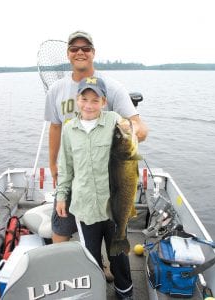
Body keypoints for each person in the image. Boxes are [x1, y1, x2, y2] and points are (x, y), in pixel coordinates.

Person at [44, 30, 147, 243]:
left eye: (85, 48)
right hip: (74, 167)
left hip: (103, 174)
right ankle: (60, 267)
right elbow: (55, 128)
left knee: (105, 223)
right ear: (68, 54)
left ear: (93, 52)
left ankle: (107, 265)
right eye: (74, 48)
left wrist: (128, 130)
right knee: (61, 224)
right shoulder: (56, 90)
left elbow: (141, 129)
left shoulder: (113, 87)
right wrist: (53, 164)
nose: (80, 52)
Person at [56, 76, 134, 299]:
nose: (89, 105)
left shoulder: (114, 120)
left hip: (114, 206)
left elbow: (133, 132)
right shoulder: (69, 129)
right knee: (89, 256)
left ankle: (125, 292)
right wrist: (61, 196)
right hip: (84, 207)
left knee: (119, 255)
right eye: (84, 98)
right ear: (77, 99)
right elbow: (66, 166)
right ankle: (94, 292)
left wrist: (131, 126)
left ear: (104, 102)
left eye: (95, 100)